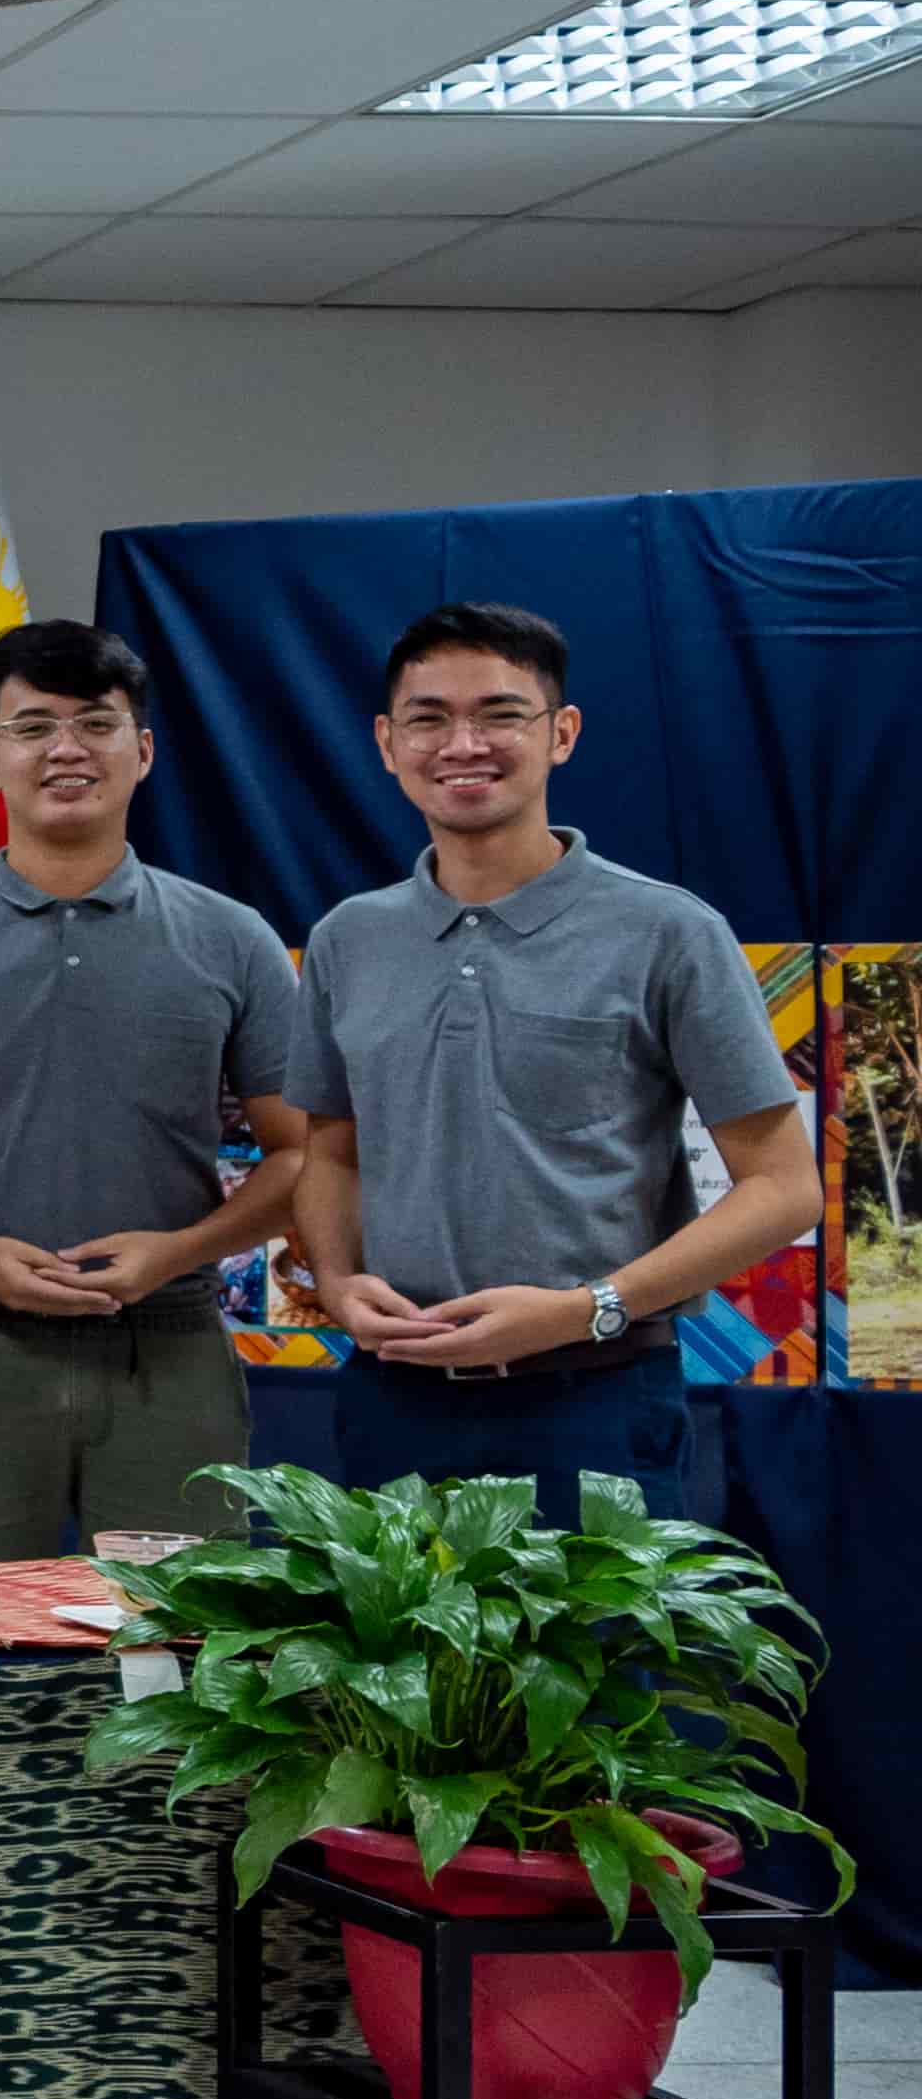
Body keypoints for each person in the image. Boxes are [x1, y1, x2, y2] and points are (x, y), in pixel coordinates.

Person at [289, 601, 809, 1523]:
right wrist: (334, 1283)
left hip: (595, 1401)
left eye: (500, 713)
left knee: (595, 1672)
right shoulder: (347, 940)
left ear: (560, 734)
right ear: (385, 741)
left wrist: (588, 1308)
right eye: (428, 717)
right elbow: (330, 1152)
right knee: (397, 1669)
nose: (463, 743)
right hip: (394, 1402)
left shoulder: (669, 932)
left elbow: (782, 1188)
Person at [0, 621, 309, 1557]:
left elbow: (304, 1153)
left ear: (141, 751)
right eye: (33, 728)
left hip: (172, 1338)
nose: (66, 749)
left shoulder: (234, 940)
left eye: (95, 724)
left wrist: (183, 1249)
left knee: (181, 1649)